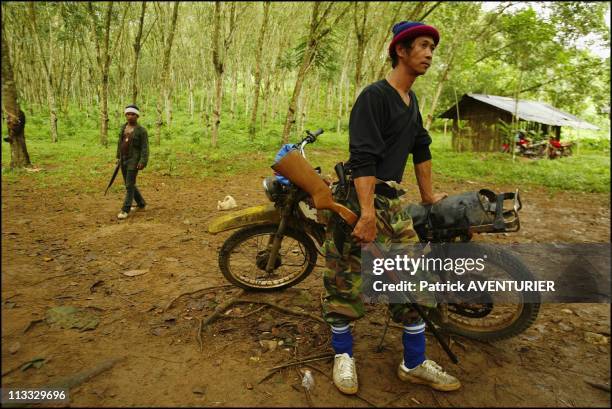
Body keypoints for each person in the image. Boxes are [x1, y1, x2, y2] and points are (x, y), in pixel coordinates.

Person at [321, 21, 461, 394]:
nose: (430, 53)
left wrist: (428, 196)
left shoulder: (411, 101)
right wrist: (366, 214)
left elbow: (422, 147)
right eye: (423, 45)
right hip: (359, 199)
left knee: (413, 282)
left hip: (393, 203)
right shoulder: (375, 97)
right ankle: (344, 358)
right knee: (345, 278)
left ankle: (413, 362)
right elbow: (363, 157)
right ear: (401, 50)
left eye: (432, 47)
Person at [116, 104, 149, 220]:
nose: (130, 116)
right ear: (125, 115)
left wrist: (143, 161)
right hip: (123, 159)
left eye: (133, 114)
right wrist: (118, 157)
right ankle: (141, 203)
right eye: (128, 114)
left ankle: (125, 209)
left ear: (137, 116)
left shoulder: (141, 131)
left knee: (129, 185)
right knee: (129, 184)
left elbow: (145, 148)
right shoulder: (123, 127)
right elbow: (119, 144)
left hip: (134, 161)